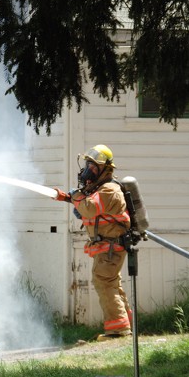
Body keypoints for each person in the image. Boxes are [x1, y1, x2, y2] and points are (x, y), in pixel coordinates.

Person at [55, 145, 132, 341]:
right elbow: (88, 205)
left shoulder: (109, 190)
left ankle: (118, 331)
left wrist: (75, 196)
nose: (88, 170)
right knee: (112, 283)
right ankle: (126, 325)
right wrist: (68, 198)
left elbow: (89, 207)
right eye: (87, 164)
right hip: (108, 246)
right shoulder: (100, 189)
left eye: (93, 166)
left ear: (105, 169)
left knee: (104, 282)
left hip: (111, 246)